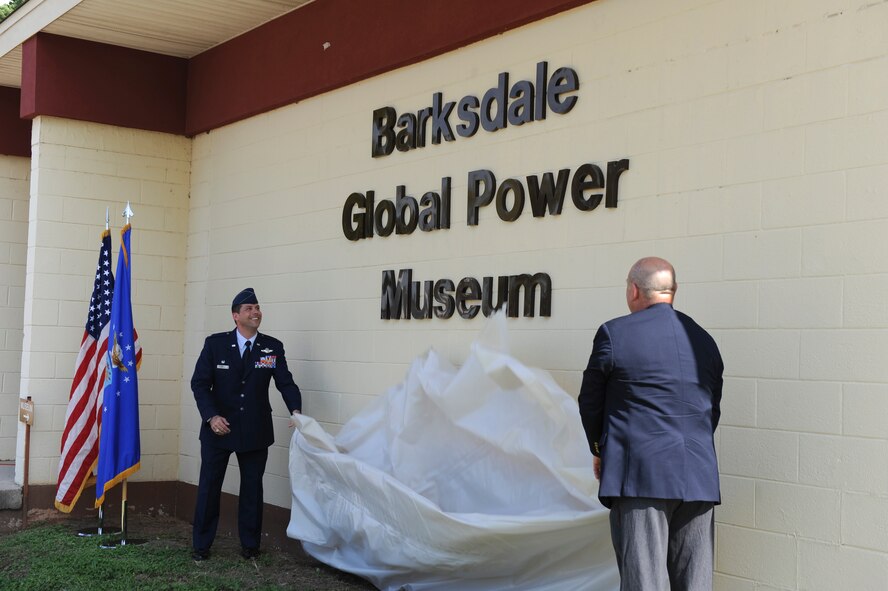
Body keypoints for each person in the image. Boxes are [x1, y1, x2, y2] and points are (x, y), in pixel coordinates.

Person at [578, 257, 723, 591]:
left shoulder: (613, 333)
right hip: (699, 477)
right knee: (695, 583)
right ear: (673, 291)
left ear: (633, 290)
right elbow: (710, 409)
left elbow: (590, 401)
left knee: (645, 582)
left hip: (641, 477)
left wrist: (600, 449)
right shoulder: (704, 340)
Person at [191, 287, 302, 561]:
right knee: (209, 487)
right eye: (249, 308)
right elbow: (200, 384)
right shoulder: (215, 345)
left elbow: (285, 382)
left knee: (252, 489)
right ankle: (201, 546)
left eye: (257, 307)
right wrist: (211, 416)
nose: (256, 312)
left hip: (254, 429)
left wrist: (296, 410)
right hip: (218, 429)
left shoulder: (271, 347)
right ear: (235, 316)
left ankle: (250, 546)